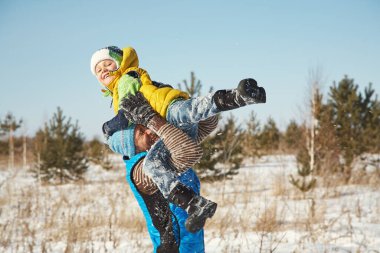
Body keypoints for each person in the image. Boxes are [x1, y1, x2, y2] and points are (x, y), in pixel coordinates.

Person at [91, 46, 266, 233]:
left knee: (187, 112)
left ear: (120, 64)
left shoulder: (125, 80)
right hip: (170, 129)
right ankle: (194, 204)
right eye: (98, 70)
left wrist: (108, 127)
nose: (104, 71)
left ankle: (238, 96)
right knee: (189, 114)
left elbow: (127, 113)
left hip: (163, 110)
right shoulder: (127, 87)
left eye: (108, 64)